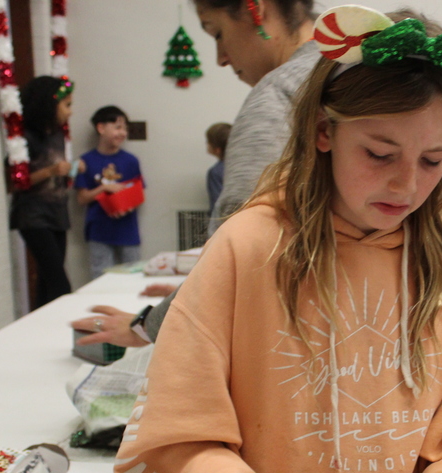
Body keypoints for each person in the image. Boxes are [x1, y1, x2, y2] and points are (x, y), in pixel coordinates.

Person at [112, 6, 442, 473]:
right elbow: (178, 435)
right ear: (325, 131)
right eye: (380, 153)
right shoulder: (247, 248)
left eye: (434, 160)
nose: (407, 185)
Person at [71, 0, 320, 346]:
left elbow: (236, 256)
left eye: (218, 33)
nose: (220, 57)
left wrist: (145, 325)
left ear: (256, 10)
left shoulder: (278, 96)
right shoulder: (349, 67)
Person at [10, 75, 78, 308]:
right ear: (49, 105)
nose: (70, 111)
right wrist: (51, 171)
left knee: (48, 283)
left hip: (57, 211)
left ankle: (37, 325)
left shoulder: (58, 134)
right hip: (33, 215)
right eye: (66, 105)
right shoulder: (26, 138)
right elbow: (16, 181)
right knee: (60, 284)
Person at [76, 106, 145, 279]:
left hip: (127, 229)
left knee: (133, 277)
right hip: (99, 230)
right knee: (100, 277)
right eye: (118, 127)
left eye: (125, 129)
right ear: (101, 128)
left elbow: (139, 194)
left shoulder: (131, 160)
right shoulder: (86, 161)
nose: (123, 133)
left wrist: (127, 205)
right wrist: (104, 188)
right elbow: (82, 199)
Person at [205, 122, 232, 216]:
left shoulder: (215, 172)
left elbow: (217, 204)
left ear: (217, 149)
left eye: (208, 142)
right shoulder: (241, 167)